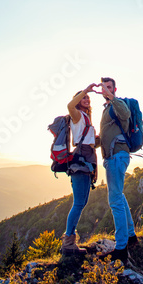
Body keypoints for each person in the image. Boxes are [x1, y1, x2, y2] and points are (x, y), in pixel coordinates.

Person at [98, 77, 137, 263]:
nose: (105, 89)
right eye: (103, 87)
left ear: (114, 89)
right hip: (113, 156)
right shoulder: (107, 109)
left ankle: (121, 249)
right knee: (119, 196)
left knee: (114, 200)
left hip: (116, 156)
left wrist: (112, 97)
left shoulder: (117, 104)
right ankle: (131, 236)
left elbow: (126, 113)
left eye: (108, 87)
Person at [60, 83, 97, 255]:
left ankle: (70, 241)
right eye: (83, 97)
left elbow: (91, 141)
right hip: (81, 159)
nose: (86, 99)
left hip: (87, 157)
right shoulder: (76, 115)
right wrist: (87, 89)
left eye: (88, 97)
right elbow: (69, 105)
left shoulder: (86, 118)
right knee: (78, 203)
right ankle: (68, 243)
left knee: (81, 203)